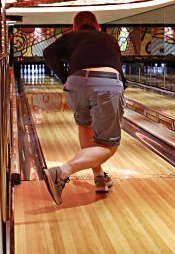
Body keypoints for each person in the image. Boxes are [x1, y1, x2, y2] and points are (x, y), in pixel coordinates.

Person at [42, 11, 125, 205]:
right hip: (106, 83)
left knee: (85, 126)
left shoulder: (70, 37)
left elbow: (48, 53)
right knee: (108, 145)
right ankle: (61, 172)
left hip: (76, 83)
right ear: (97, 27)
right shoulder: (108, 38)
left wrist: (65, 77)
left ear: (74, 27)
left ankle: (99, 177)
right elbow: (118, 67)